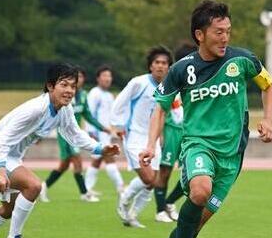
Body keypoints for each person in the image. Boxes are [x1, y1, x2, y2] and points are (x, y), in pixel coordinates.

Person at [139, 0, 272, 238]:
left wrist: (269, 119)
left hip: (232, 156)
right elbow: (160, 108)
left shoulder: (243, 60)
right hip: (198, 145)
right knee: (200, 191)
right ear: (199, 35)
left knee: (195, 225)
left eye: (228, 31)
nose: (225, 38)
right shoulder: (181, 69)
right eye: (218, 32)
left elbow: (268, 85)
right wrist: (150, 145)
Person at [0, 63, 119, 238]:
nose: (70, 90)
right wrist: (1, 173)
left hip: (10, 158)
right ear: (51, 86)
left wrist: (101, 149)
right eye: (64, 84)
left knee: (8, 209)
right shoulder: (36, 109)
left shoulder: (64, 110)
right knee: (34, 185)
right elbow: (1, 141)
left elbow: (75, 135)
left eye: (73, 86)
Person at [111, 45, 172, 228]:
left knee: (153, 182)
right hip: (135, 137)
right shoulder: (138, 83)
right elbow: (119, 102)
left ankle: (133, 215)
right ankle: (124, 199)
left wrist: (159, 136)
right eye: (157, 62)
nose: (161, 66)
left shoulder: (169, 87)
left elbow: (163, 113)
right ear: (150, 65)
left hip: (153, 141)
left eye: (164, 63)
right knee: (148, 178)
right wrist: (119, 125)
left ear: (169, 66)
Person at [39, 68, 111, 203]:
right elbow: (50, 115)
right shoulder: (64, 96)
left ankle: (43, 186)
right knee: (78, 162)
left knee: (64, 166)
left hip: (76, 135)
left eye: (81, 77)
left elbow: (88, 116)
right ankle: (85, 194)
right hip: (64, 135)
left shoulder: (83, 95)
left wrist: (102, 128)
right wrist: (41, 134)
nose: (79, 80)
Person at [154, 43, 197, 223]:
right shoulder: (171, 80)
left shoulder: (195, 80)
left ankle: (169, 202)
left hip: (187, 132)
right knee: (164, 172)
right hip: (171, 131)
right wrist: (160, 134)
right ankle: (160, 210)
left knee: (190, 173)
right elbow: (160, 109)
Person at [85, 65, 124, 199]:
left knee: (97, 161)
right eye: (104, 76)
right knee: (109, 159)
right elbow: (89, 114)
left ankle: (87, 189)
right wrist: (91, 133)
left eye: (109, 76)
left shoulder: (108, 95)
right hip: (97, 134)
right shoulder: (94, 93)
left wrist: (115, 130)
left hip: (106, 133)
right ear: (98, 78)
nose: (108, 79)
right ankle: (120, 187)